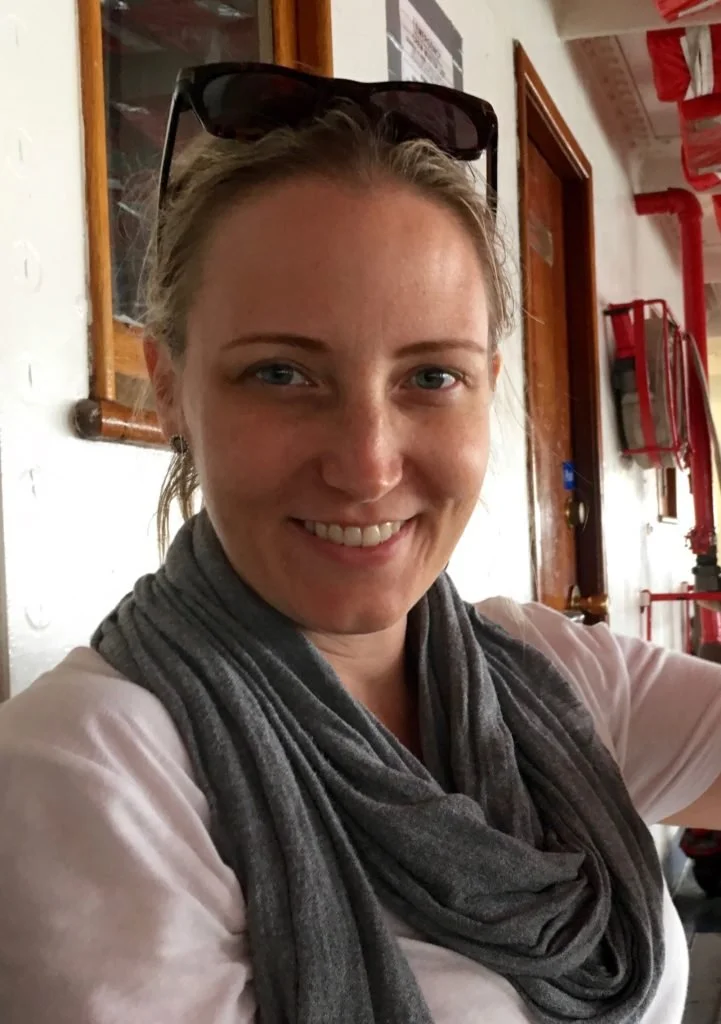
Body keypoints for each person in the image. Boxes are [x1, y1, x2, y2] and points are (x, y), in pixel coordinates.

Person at [0, 63, 720, 1024]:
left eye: (430, 377)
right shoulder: (84, 771)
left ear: (487, 382)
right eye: (280, 373)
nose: (368, 466)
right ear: (169, 386)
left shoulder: (540, 669)